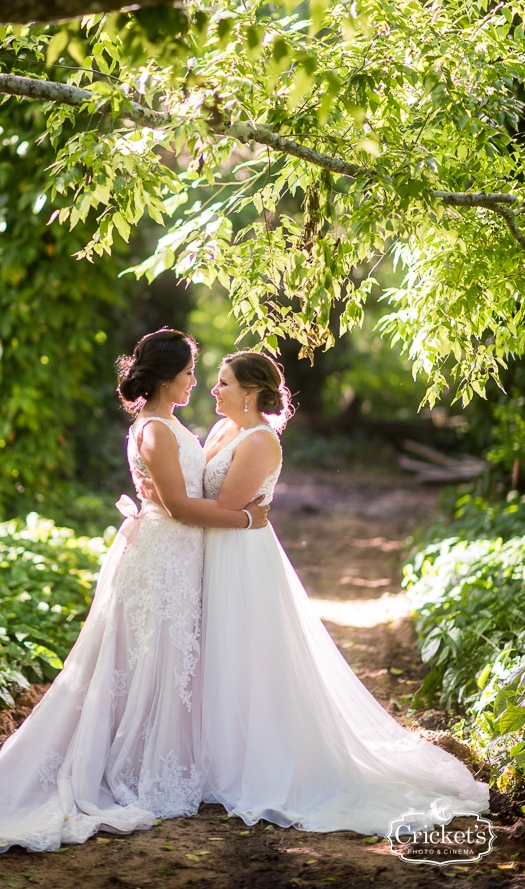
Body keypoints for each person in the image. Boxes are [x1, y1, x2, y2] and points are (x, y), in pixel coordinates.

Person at [0, 328, 267, 853]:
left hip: (178, 556)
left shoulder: (169, 424)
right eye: (190, 372)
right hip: (163, 557)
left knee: (166, 661)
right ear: (167, 376)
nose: (196, 381)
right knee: (145, 658)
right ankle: (132, 768)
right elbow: (180, 507)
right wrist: (245, 519)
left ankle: (162, 760)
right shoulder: (156, 431)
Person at [198, 350, 489, 834]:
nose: (214, 390)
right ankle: (211, 752)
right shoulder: (221, 431)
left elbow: (223, 505)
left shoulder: (261, 440)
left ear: (249, 392)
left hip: (240, 556)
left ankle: (255, 760)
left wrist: (170, 504)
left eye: (223, 382)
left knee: (247, 654)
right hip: (213, 549)